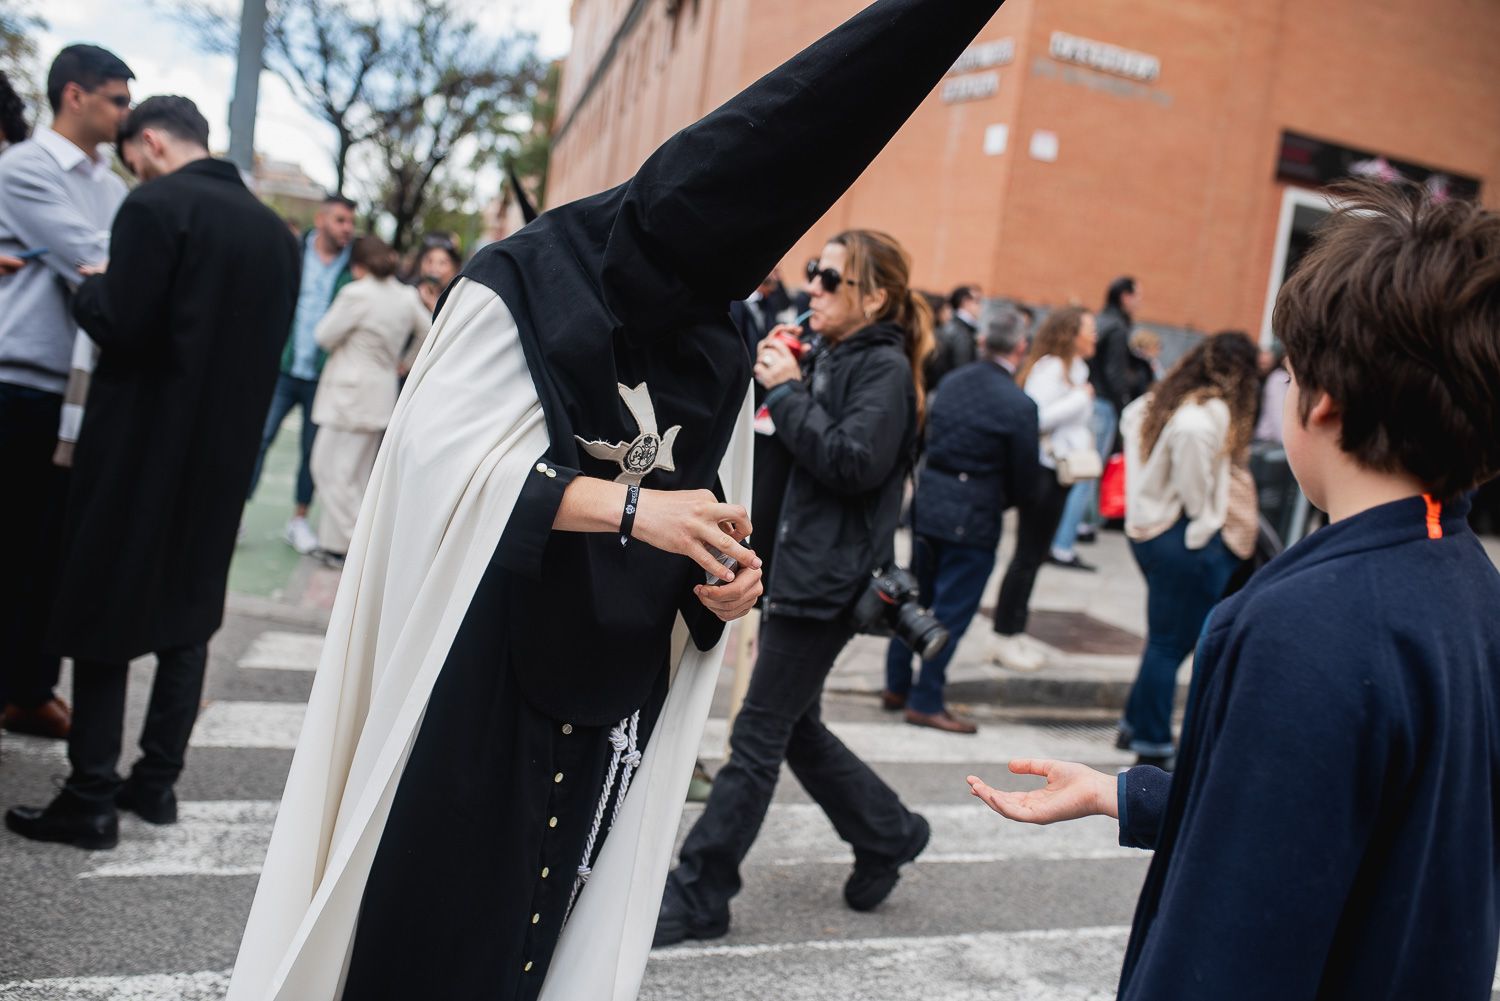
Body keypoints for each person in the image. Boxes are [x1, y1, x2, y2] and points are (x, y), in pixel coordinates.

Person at [226, 3, 1004, 999]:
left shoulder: (715, 336)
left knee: (543, 928)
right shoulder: (525, 281)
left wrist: (724, 581)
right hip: (483, 666)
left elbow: (710, 505)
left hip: (612, 684)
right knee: (439, 920)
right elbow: (435, 467)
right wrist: (635, 510)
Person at [970, 180, 1500, 999]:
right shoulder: (1469, 582)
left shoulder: (1307, 623)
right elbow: (1337, 819)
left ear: (1322, 400)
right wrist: (1126, 794)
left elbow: (1233, 935)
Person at [3, 96, 300, 847]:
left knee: (101, 607)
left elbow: (122, 322)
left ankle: (89, 795)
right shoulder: (275, 234)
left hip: (137, 446)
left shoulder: (153, 206)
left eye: (133, 154)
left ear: (154, 143)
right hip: (223, 455)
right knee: (190, 615)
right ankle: (156, 781)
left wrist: (91, 283)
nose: (131, 167)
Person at [657, 228, 934, 948]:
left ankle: (701, 891)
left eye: (831, 277)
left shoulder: (883, 369)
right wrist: (780, 378)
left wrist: (787, 390)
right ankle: (888, 831)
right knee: (794, 728)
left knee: (756, 734)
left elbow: (852, 463)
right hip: (797, 568)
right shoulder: (830, 354)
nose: (813, 285)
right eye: (815, 270)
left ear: (874, 297)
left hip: (829, 579)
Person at [0, 44, 132, 742]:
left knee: (49, 551)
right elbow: (96, 261)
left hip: (79, 395)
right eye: (117, 99)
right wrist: (133, 268)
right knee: (14, 544)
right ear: (74, 95)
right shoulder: (24, 168)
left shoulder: (113, 185)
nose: (126, 114)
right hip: (19, 383)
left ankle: (28, 689)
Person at [884, 307, 1037, 733]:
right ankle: (926, 699)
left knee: (914, 597)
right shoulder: (1019, 403)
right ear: (1021, 347)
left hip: (931, 502)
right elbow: (1025, 478)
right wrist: (1001, 499)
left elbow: (924, 438)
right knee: (952, 610)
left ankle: (896, 685)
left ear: (984, 341)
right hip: (974, 514)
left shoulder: (952, 382)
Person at [1113, 332, 1260, 766]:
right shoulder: (1204, 414)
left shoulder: (1165, 399)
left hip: (1151, 530)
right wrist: (1203, 523)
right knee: (1169, 645)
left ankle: (1134, 725)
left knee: (1164, 640)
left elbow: (1130, 417)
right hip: (1178, 536)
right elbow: (1195, 484)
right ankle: (1152, 744)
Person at [308, 235, 431, 564]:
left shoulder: (357, 294)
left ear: (358, 264)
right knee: (358, 474)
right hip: (381, 389)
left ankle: (360, 547)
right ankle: (335, 545)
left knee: (328, 469)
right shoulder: (406, 296)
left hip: (348, 393)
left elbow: (323, 335)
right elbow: (428, 329)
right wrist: (405, 361)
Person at [245, 193, 356, 554]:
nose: (347, 229)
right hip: (282, 367)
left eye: (351, 222)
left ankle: (298, 521)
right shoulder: (292, 251)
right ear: (321, 220)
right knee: (259, 438)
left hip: (323, 375)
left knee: (312, 451)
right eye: (340, 220)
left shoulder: (355, 266)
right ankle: (237, 512)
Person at [988, 306, 1097, 672]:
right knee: (1026, 556)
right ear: (1071, 333)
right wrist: (1080, 399)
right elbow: (1033, 417)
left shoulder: (1077, 369)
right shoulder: (1050, 368)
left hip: (1063, 473)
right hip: (1042, 472)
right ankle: (1004, 634)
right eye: (1088, 329)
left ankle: (1015, 631)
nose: (1094, 335)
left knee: (1036, 557)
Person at [1051, 276, 1139, 562]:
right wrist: (1123, 404)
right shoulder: (1115, 327)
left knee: (1077, 474)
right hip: (1100, 405)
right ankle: (1062, 544)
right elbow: (1114, 373)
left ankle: (1063, 537)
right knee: (1083, 475)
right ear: (1125, 296)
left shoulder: (1105, 322)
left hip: (1094, 402)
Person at [923, 283, 981, 390]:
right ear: (965, 301)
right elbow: (961, 370)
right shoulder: (960, 331)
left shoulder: (959, 328)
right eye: (977, 301)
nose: (980, 306)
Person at [414, 230, 462, 314]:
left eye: (442, 263)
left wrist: (433, 307)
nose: (434, 268)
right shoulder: (409, 293)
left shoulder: (459, 301)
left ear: (455, 268)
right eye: (429, 261)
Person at [1254, 337, 1290, 444]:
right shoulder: (1278, 379)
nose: (1263, 358)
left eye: (1268, 353)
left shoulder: (1276, 377)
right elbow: (1278, 420)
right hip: (1268, 443)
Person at [1123, 327, 1160, 404]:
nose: (1159, 350)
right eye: (1157, 346)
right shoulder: (1142, 364)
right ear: (1149, 346)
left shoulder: (1151, 362)